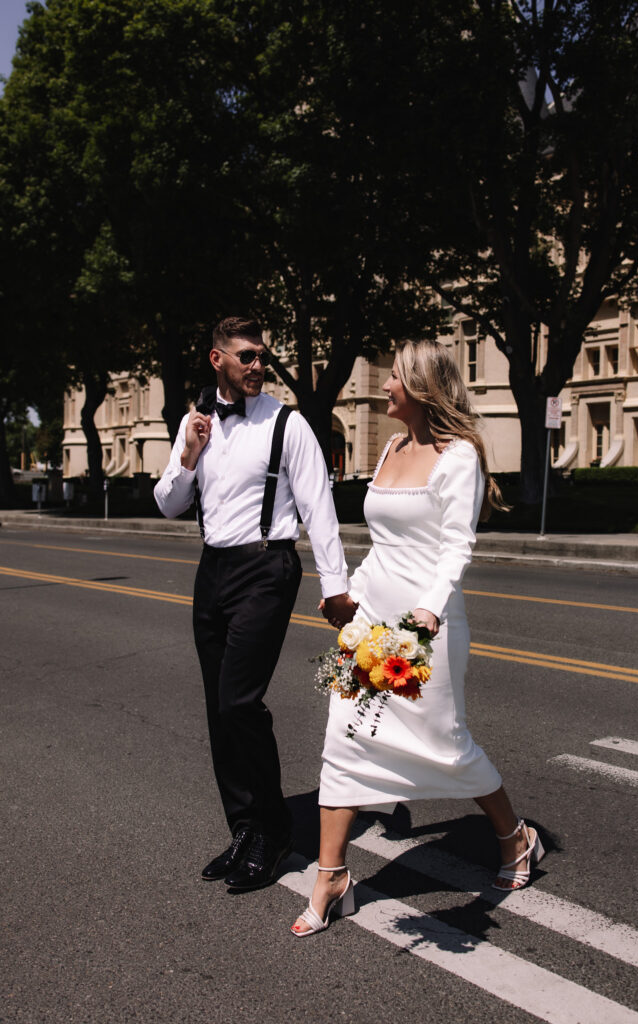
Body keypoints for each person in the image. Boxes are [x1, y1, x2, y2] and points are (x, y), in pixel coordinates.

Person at [291, 338, 545, 937]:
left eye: (396, 378)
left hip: (425, 625)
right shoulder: (391, 449)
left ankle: (516, 839)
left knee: (445, 744)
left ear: (423, 387)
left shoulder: (458, 457)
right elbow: (382, 541)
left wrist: (429, 611)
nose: (384, 386)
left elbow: (457, 546)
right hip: (372, 615)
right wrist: (347, 595)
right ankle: (330, 876)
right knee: (343, 733)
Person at [154, 316, 350, 893]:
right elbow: (168, 504)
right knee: (220, 708)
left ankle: (275, 831)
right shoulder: (196, 423)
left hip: (268, 566)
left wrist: (333, 586)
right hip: (213, 568)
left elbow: (319, 507)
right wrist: (189, 454)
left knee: (240, 700)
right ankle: (243, 828)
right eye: (246, 356)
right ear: (217, 360)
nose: (258, 364)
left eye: (261, 355)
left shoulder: (287, 424)